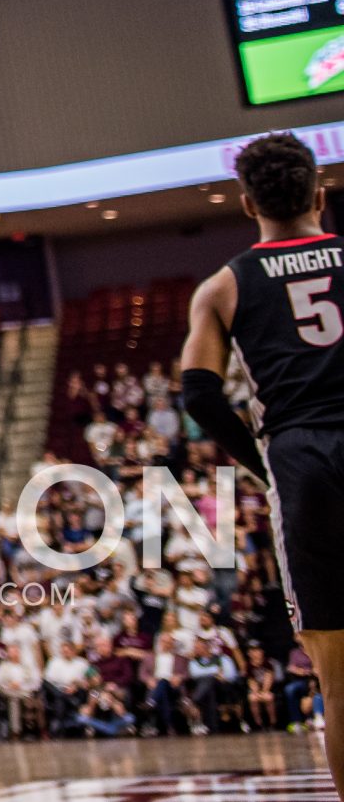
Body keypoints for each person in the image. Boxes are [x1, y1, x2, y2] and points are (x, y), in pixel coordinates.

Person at [179, 130, 344, 784]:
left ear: (247, 205)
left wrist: (262, 463)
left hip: (303, 462)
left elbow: (200, 394)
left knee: (336, 674)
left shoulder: (223, 286)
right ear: (321, 195)